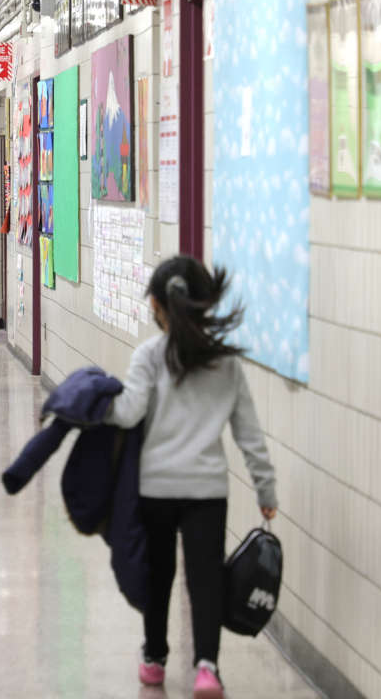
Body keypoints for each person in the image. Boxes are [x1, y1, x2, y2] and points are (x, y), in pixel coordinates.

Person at [105, 255, 278, 699]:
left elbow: (127, 413)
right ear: (203, 304)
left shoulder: (148, 356)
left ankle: (154, 660)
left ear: (157, 306)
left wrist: (93, 400)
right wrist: (265, 488)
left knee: (158, 573)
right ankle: (207, 669)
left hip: (156, 488)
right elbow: (249, 434)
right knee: (206, 579)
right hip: (207, 490)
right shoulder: (225, 364)